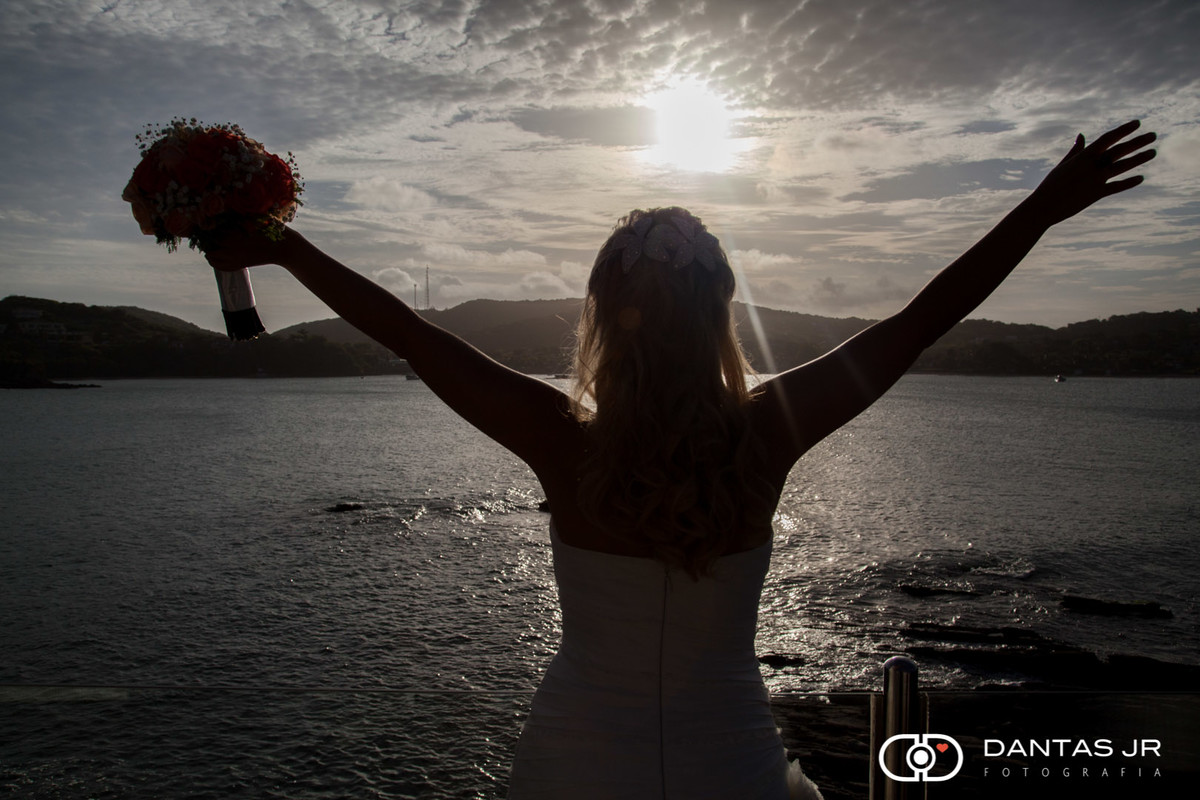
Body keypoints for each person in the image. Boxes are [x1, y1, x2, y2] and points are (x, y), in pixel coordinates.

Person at [206, 120, 1156, 799]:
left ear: (603, 321)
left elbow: (409, 334)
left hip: (573, 766)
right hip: (728, 767)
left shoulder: (556, 437)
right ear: (719, 318)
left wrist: (285, 247)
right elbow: (920, 321)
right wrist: (1041, 208)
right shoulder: (770, 433)